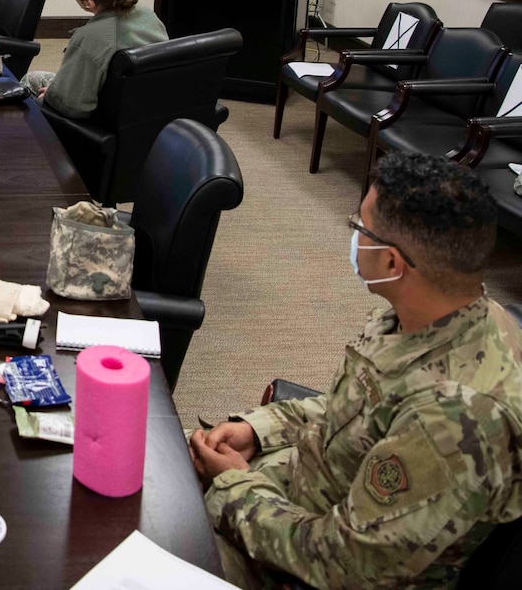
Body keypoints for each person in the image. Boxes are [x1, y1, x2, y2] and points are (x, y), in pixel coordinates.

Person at [189, 152, 522, 589]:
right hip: (296, 493)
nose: (353, 235)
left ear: (391, 263)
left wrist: (233, 486)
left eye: (359, 227)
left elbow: (345, 565)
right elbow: (347, 409)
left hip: (311, 569)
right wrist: (258, 429)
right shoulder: (427, 314)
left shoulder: (454, 417)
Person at [21, 0, 167, 119]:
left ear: (87, 3)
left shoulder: (89, 38)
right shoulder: (146, 13)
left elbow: (74, 106)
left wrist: (53, 95)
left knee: (30, 80)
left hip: (100, 117)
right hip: (146, 104)